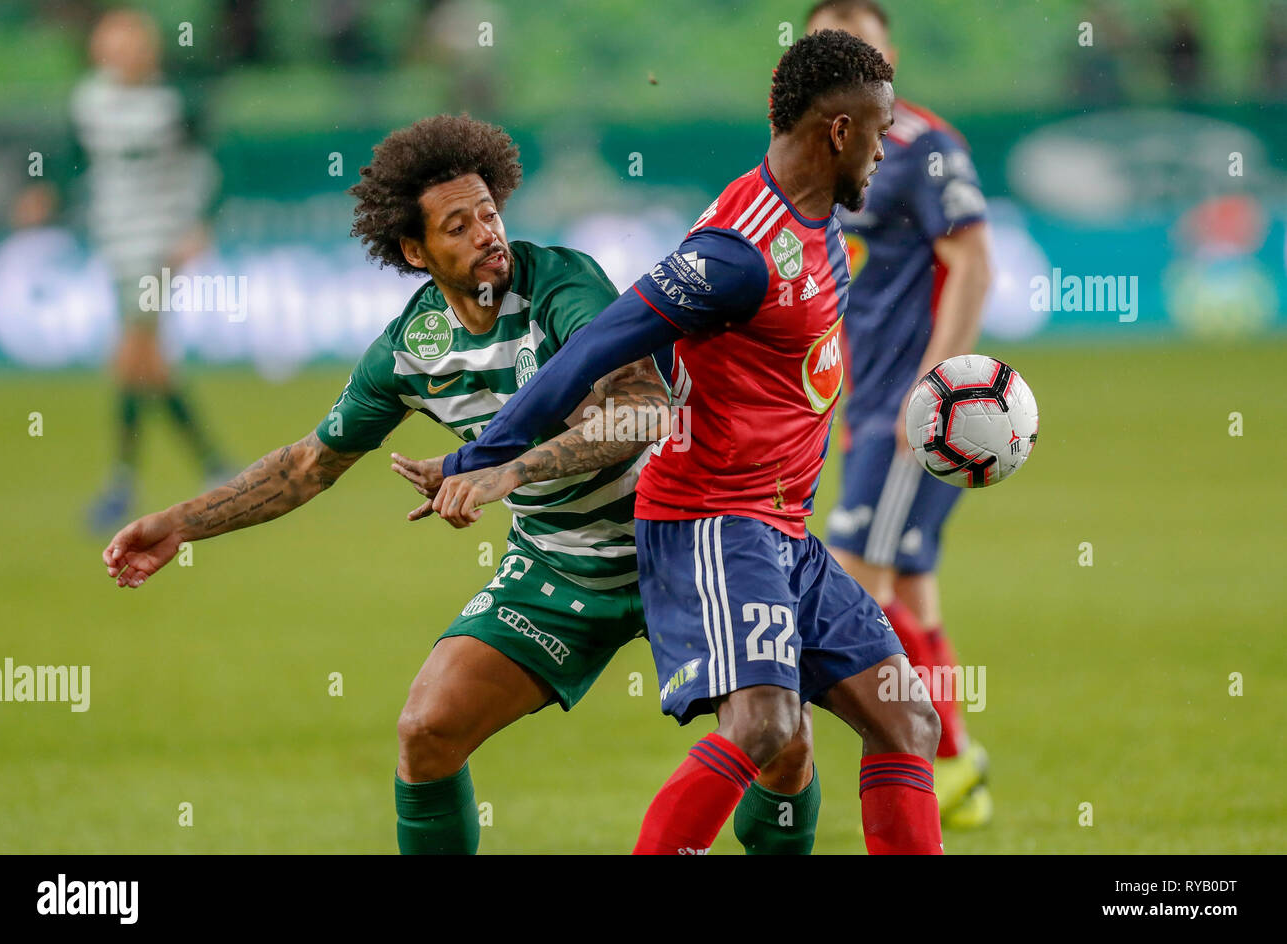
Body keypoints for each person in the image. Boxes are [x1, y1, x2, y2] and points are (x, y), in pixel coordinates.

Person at [101, 114, 814, 854]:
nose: (487, 233)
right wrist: (180, 523)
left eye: (489, 213)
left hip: (687, 542)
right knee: (428, 730)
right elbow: (309, 465)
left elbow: (639, 413)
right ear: (415, 250)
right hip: (561, 563)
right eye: (458, 225)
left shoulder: (562, 284)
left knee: (781, 740)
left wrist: (507, 472)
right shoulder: (412, 351)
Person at [424, 31, 944, 855]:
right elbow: (602, 343)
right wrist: (489, 454)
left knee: (907, 720)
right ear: (838, 131)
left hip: (782, 530)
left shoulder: (819, 227)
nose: (888, 152)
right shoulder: (739, 253)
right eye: (880, 132)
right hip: (714, 520)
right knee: (766, 725)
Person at [805, 0, 994, 827]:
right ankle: (957, 765)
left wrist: (933, 385)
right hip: (862, 401)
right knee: (911, 586)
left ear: (891, 60)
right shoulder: (814, 155)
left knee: (852, 587)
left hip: (909, 408)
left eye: (863, 54)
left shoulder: (923, 149)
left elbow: (975, 263)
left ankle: (922, 761)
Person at [75, 8, 231, 531]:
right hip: (116, 243)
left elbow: (205, 166)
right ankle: (214, 464)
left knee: (133, 351)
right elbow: (72, 159)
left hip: (158, 244)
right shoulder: (88, 102)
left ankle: (120, 484)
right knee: (147, 362)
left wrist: (198, 224)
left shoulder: (173, 104)